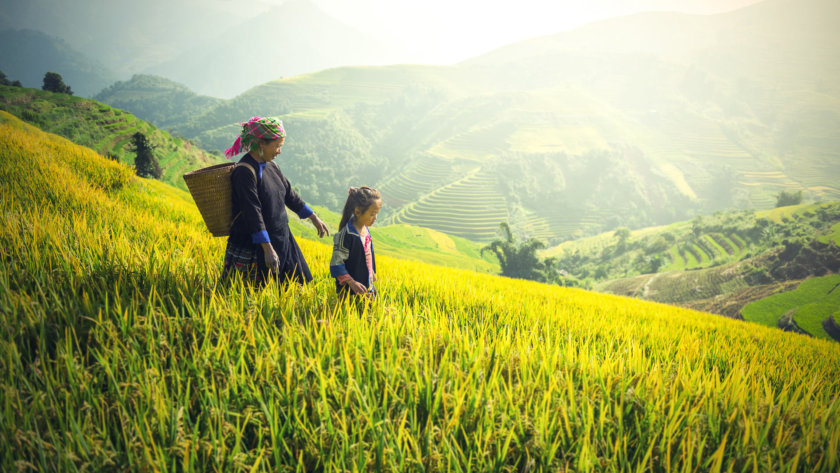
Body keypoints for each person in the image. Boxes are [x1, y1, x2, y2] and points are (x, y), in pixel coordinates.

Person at [221, 116, 329, 285]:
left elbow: (289, 195)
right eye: (277, 146)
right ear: (260, 143)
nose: (279, 151)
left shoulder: (272, 166)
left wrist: (313, 217)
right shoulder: (245, 172)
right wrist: (267, 248)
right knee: (255, 293)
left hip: (281, 238)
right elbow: (252, 212)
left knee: (296, 286)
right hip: (256, 245)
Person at [330, 186, 382, 298]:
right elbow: (336, 263)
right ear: (357, 211)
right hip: (351, 292)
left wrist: (371, 272)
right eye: (372, 214)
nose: (375, 218)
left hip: (366, 286)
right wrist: (352, 283)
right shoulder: (346, 235)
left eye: (377, 213)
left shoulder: (365, 230)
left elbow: (368, 254)